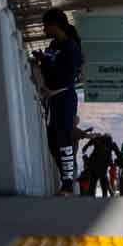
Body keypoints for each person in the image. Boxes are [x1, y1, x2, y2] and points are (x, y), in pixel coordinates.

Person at [34, 10, 84, 195]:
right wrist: (43, 60)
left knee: (63, 139)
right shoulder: (53, 45)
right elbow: (50, 70)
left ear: (56, 24)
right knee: (52, 140)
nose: (44, 29)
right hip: (53, 99)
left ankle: (68, 182)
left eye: (46, 25)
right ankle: (67, 175)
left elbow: (66, 75)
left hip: (65, 97)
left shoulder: (71, 47)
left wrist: (47, 63)